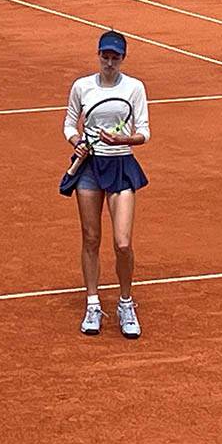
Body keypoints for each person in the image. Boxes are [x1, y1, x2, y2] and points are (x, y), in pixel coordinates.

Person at [63, 30, 149, 339]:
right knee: (91, 238)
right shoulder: (82, 87)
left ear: (123, 58)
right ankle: (93, 304)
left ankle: (126, 303)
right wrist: (77, 142)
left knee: (122, 242)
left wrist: (123, 139)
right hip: (89, 167)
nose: (109, 62)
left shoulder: (135, 88)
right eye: (105, 56)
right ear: (98, 55)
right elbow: (69, 123)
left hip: (122, 164)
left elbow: (144, 133)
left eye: (115, 57)